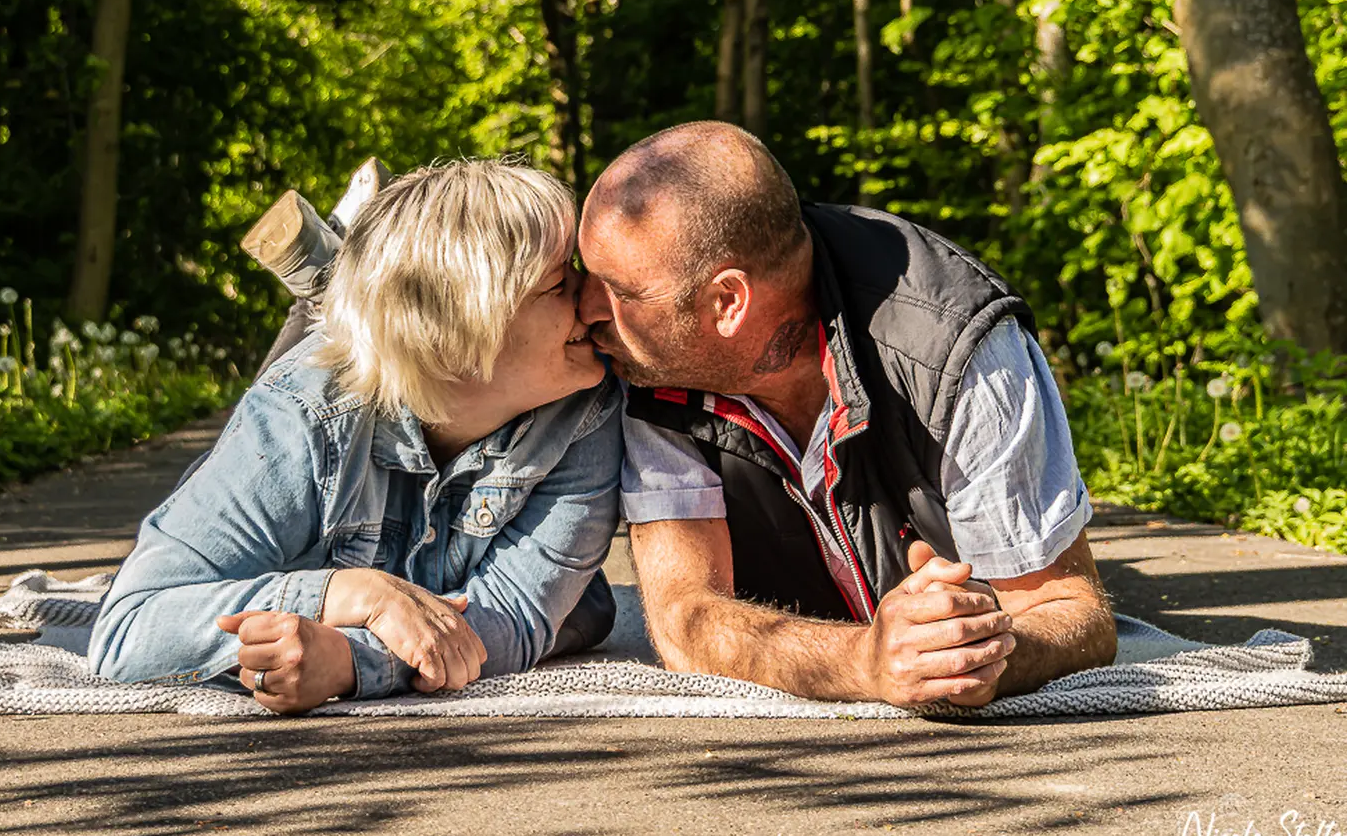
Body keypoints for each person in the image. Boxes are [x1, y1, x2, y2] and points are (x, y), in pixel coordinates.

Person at [575, 120, 1118, 709]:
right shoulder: (650, 367)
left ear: (728, 301)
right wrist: (867, 662)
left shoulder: (956, 347)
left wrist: (971, 651)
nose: (584, 309)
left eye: (619, 291)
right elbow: (687, 621)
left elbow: (1070, 612)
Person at [89, 159, 621, 714]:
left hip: (410, 378)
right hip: (346, 403)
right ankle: (324, 291)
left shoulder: (586, 407)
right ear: (460, 333)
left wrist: (348, 660)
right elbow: (128, 631)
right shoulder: (299, 416)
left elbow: (512, 615)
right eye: (562, 283)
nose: (594, 301)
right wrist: (345, 594)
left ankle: (327, 279)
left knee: (585, 611)